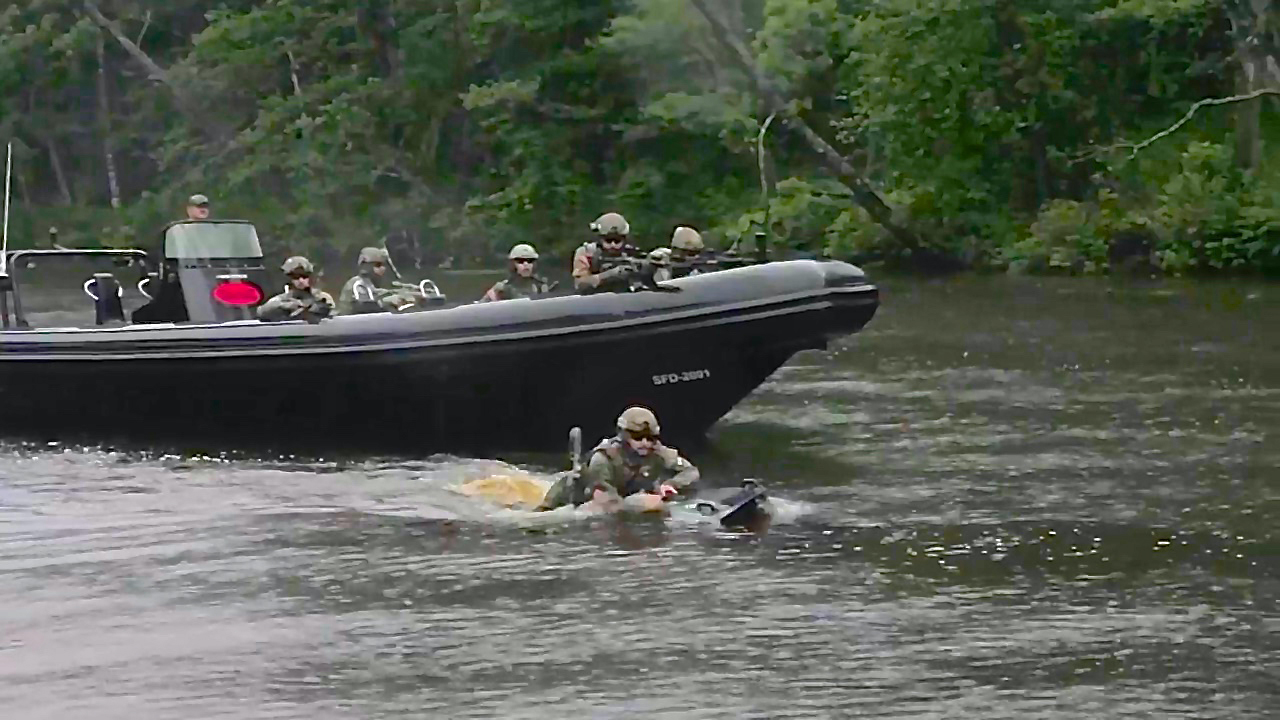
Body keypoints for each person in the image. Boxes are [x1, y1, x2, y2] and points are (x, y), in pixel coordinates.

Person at [537, 406, 700, 511]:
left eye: (650, 438)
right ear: (624, 436)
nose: (645, 443)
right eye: (638, 437)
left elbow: (691, 472)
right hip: (572, 500)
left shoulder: (658, 452)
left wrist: (670, 485)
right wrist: (644, 503)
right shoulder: (603, 459)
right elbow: (607, 502)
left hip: (627, 495)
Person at [337, 246, 418, 315]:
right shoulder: (357, 284)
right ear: (366, 266)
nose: (382, 268)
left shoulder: (373, 283)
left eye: (383, 265)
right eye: (377, 265)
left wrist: (407, 295)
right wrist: (386, 301)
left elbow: (381, 292)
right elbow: (363, 306)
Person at [572, 212, 639, 293]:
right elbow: (581, 284)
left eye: (617, 240)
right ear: (599, 239)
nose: (613, 245)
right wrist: (610, 275)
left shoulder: (632, 253)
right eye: (608, 240)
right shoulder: (587, 253)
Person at [257, 256, 335, 323]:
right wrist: (287, 306)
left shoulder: (322, 298)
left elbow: (332, 319)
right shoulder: (281, 300)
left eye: (304, 276)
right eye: (296, 276)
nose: (301, 280)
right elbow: (261, 312)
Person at [480, 243, 553, 302]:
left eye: (530, 261)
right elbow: (480, 308)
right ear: (513, 264)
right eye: (520, 261)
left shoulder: (541, 286)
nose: (526, 264)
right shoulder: (502, 288)